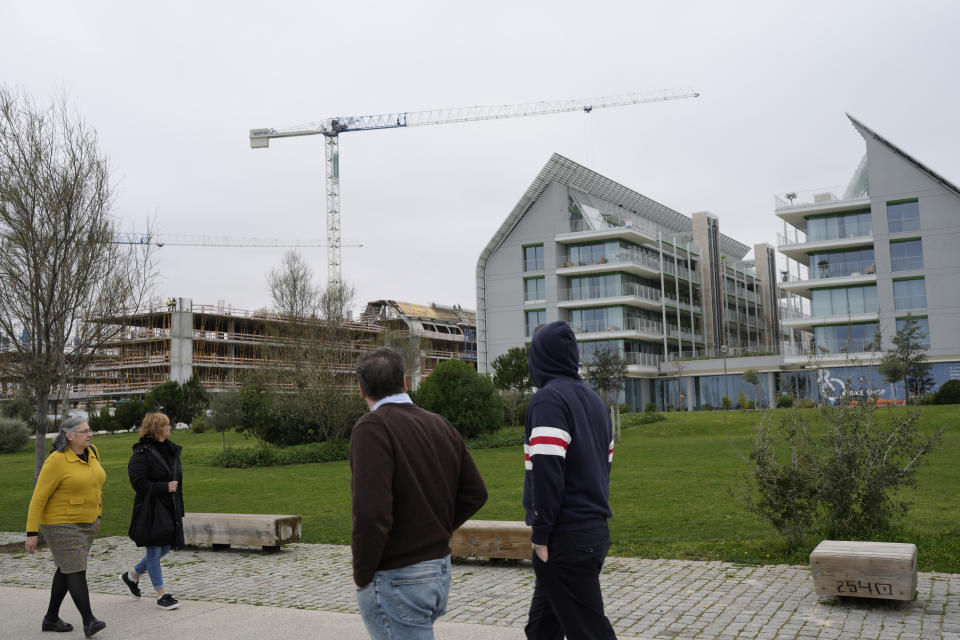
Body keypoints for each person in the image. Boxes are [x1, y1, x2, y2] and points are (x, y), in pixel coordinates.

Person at [351, 347, 488, 639]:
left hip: (397, 576)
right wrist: (434, 531)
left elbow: (371, 512)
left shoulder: (372, 428)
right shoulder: (440, 424)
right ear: (405, 382)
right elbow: (474, 493)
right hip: (438, 570)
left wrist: (362, 575)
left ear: (361, 390)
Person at [523, 321, 617, 640]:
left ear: (540, 358)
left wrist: (542, 532)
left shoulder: (548, 401)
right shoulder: (595, 403)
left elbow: (548, 470)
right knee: (541, 630)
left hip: (564, 537)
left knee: (590, 632)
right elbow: (604, 467)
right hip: (591, 529)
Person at [25, 417, 107, 637]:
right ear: (68, 435)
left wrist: (98, 514)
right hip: (59, 522)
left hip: (86, 522)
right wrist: (32, 532)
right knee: (76, 569)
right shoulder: (56, 460)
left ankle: (51, 618)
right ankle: (89, 621)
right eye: (83, 431)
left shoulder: (93, 452)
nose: (89, 434)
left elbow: (96, 485)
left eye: (90, 430)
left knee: (66, 569)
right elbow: (38, 498)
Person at [120, 412, 184, 611]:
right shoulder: (142, 453)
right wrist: (164, 487)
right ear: (157, 429)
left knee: (165, 547)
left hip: (169, 505)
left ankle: (132, 576)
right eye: (166, 425)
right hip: (151, 508)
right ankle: (161, 594)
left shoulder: (170, 450)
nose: (170, 427)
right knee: (155, 549)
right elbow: (138, 483)